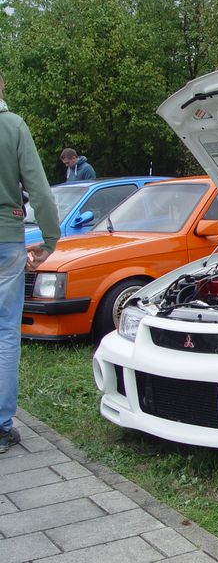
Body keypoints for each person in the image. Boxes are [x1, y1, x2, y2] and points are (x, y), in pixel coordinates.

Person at [0, 72, 60, 454]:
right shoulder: (13, 127)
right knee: (6, 331)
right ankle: (1, 427)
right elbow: (39, 189)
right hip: (6, 238)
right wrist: (50, 239)